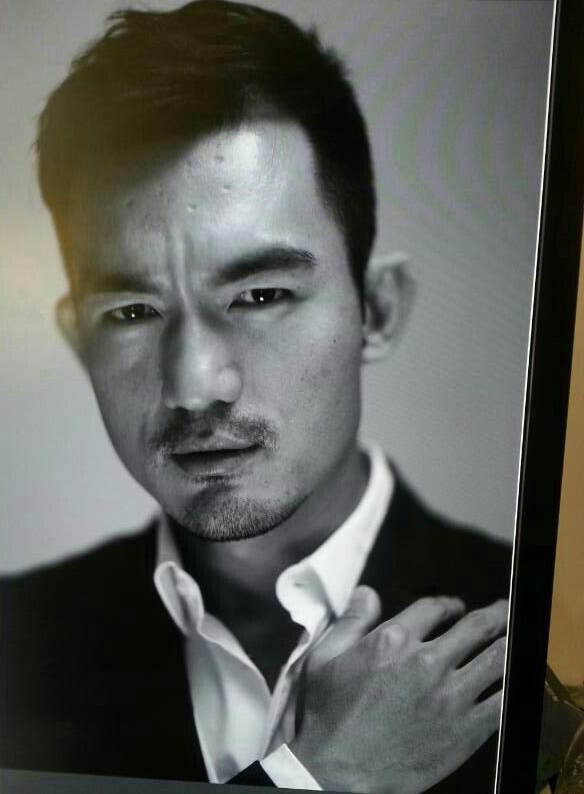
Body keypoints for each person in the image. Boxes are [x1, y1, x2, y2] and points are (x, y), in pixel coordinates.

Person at [0, 2, 511, 791]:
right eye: (131, 312)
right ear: (78, 338)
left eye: (261, 295)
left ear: (377, 310)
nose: (195, 385)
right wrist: (323, 776)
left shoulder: (542, 625)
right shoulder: (15, 644)